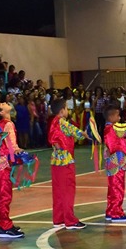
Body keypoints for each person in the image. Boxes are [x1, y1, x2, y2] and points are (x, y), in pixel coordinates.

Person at [48, 99, 88, 231]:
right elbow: (77, 133)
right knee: (68, 190)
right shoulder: (63, 123)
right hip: (65, 161)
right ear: (62, 111)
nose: (68, 110)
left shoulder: (53, 122)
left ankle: (58, 218)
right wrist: (85, 134)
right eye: (66, 108)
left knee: (58, 190)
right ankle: (70, 220)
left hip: (55, 161)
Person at [0, 102, 25, 239]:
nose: (4, 102)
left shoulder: (0, 124)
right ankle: (4, 227)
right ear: (1, 112)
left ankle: (5, 223)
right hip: (3, 164)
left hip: (0, 162)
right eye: (1, 104)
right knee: (5, 196)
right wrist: (18, 151)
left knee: (4, 195)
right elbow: (12, 145)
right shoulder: (7, 124)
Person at [102, 104, 126, 222]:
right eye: (117, 115)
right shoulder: (114, 128)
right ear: (111, 116)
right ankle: (116, 213)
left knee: (112, 188)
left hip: (112, 162)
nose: (119, 118)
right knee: (117, 187)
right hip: (116, 162)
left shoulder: (108, 129)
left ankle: (110, 211)